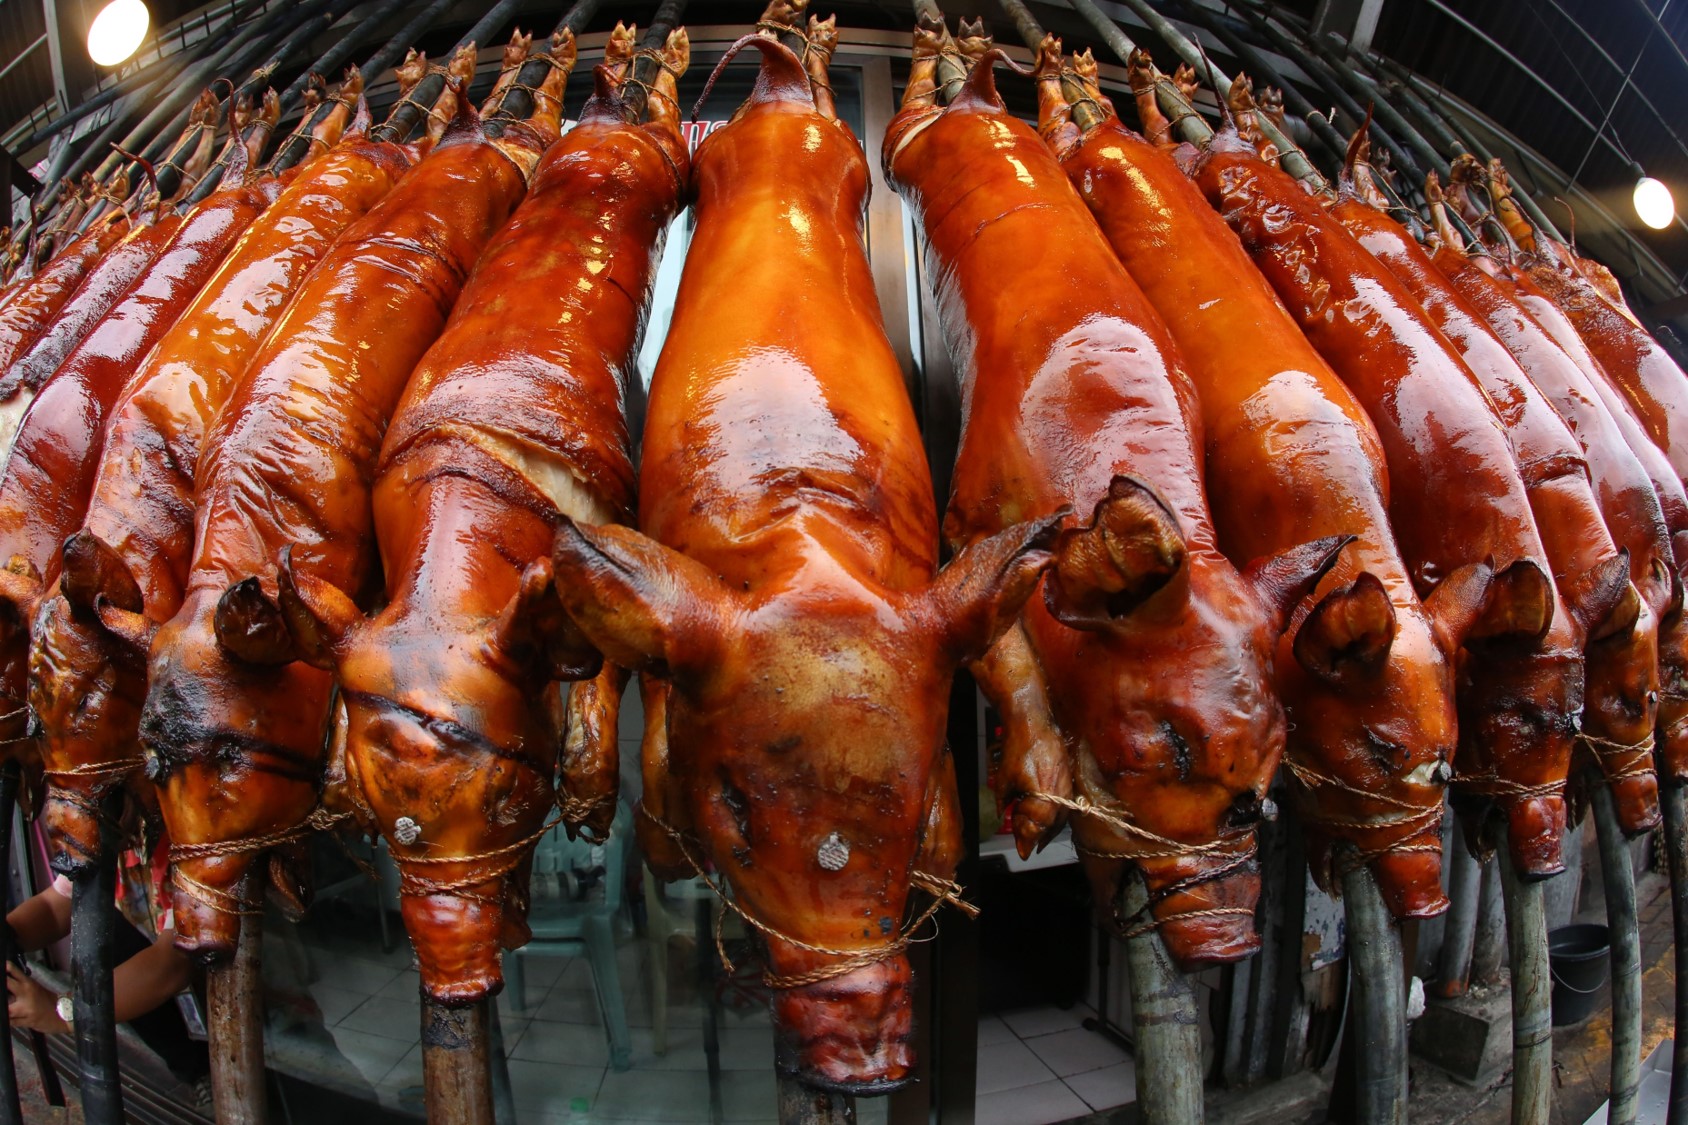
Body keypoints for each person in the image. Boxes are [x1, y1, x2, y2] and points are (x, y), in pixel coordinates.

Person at [4, 825, 209, 1088]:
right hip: (169, 962)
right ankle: (197, 1070)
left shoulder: (190, 834)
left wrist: (63, 1011)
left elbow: (173, 963)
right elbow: (59, 903)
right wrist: (10, 936)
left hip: (242, 984)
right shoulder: (111, 825)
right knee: (110, 934)